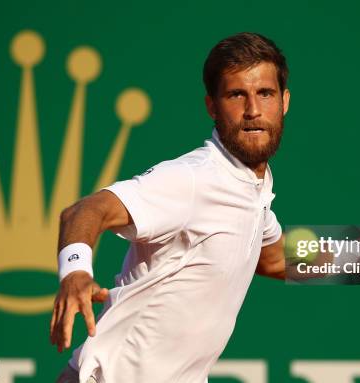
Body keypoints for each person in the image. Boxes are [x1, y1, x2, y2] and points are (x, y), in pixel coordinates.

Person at [51, 32, 291, 383]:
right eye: (237, 94)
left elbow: (273, 258)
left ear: (284, 101)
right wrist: (74, 272)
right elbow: (85, 211)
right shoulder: (192, 179)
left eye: (264, 93)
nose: (253, 110)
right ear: (212, 106)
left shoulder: (254, 187)